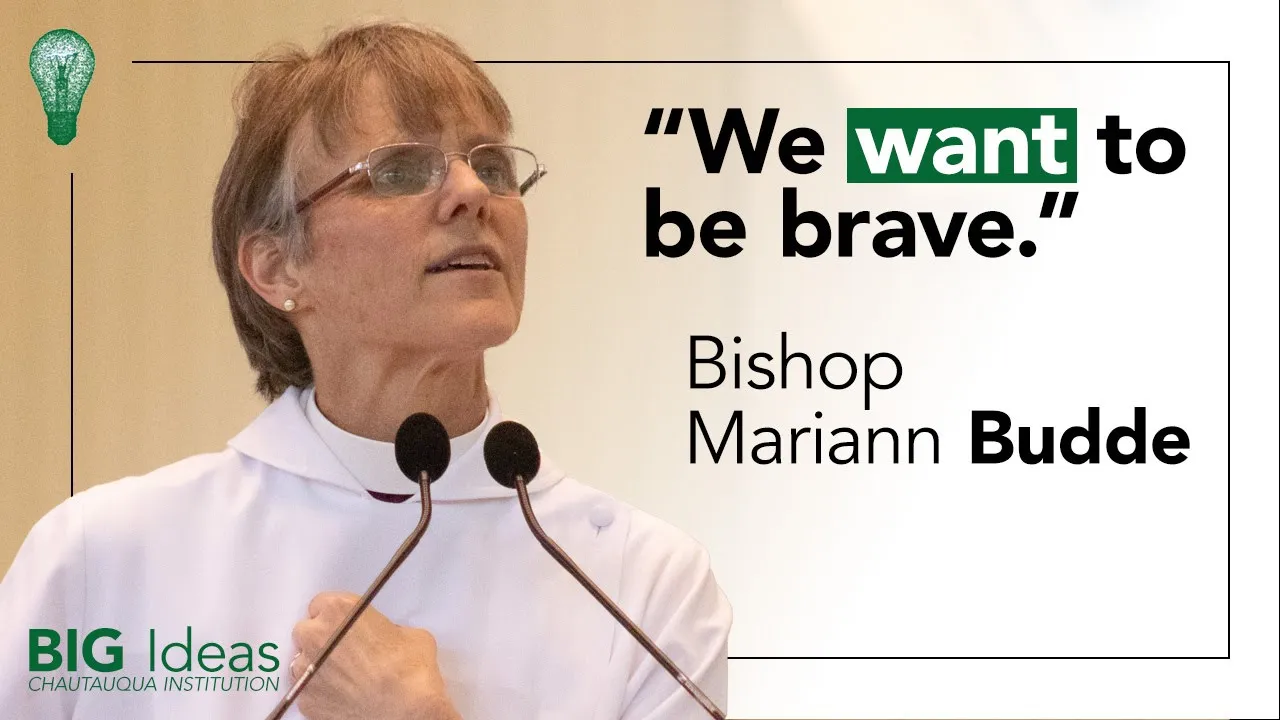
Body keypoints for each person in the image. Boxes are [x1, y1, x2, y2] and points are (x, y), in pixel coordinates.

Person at [0, 21, 731, 719]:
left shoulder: (639, 585)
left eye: (493, 166)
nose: (473, 193)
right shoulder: (103, 557)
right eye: (400, 171)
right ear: (278, 267)